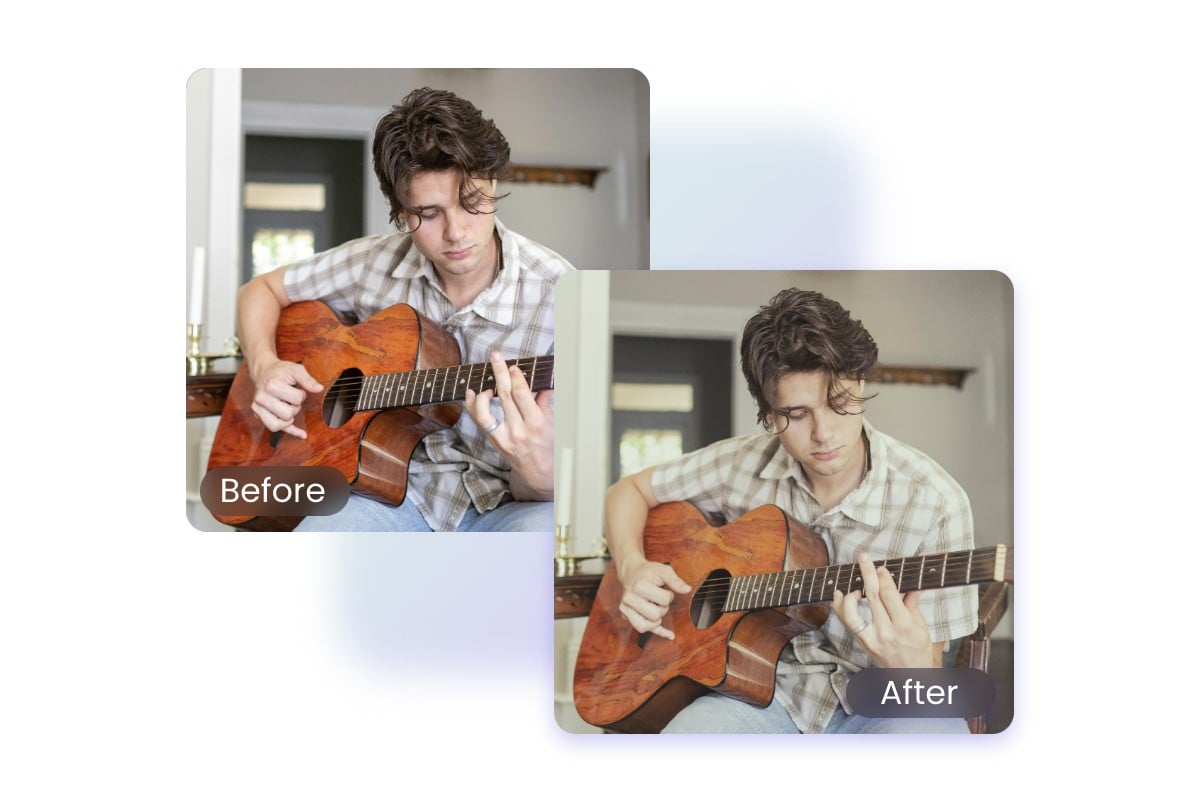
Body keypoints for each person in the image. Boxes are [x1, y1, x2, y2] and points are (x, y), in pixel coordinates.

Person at [603, 289, 978, 733]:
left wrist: (911, 667)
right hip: (756, 698)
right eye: (796, 414)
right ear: (767, 412)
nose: (823, 433)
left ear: (860, 382)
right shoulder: (740, 464)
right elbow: (627, 491)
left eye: (839, 403)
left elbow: (927, 677)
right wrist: (632, 566)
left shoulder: (935, 502)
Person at [236, 87, 571, 532]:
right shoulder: (372, 262)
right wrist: (264, 365)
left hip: (509, 504)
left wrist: (537, 469)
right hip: (387, 497)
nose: (456, 232)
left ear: (492, 181)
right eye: (428, 214)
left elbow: (548, 487)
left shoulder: (561, 296)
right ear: (399, 210)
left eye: (472, 202)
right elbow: (260, 290)